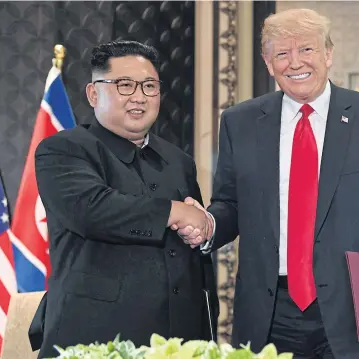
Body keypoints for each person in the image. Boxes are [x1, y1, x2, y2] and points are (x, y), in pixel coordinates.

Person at [178, 8, 359, 359]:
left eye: (307, 50)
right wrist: (207, 224)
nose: (295, 62)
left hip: (358, 310)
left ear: (328, 54)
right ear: (269, 64)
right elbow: (232, 205)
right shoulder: (240, 122)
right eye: (282, 53)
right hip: (269, 313)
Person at [30, 40, 218, 358]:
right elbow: (92, 211)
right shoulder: (64, 149)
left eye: (149, 86)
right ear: (93, 93)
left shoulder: (178, 160)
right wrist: (175, 213)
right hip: (95, 337)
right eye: (125, 85)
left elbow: (192, 236)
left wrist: (201, 230)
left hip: (180, 340)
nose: (139, 97)